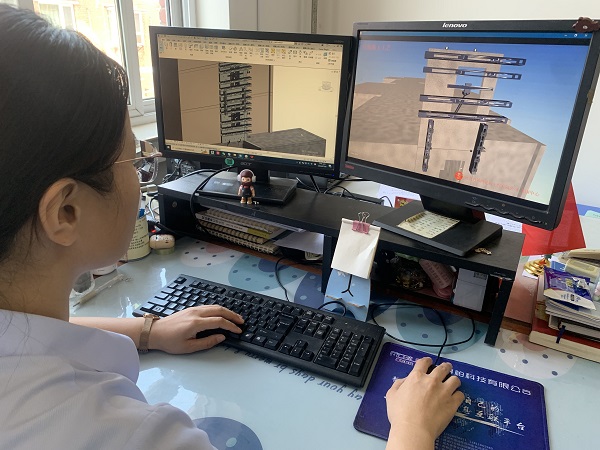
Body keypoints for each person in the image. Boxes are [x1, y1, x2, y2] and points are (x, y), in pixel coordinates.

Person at [0, 5, 462, 449]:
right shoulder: (132, 435)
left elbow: (40, 333)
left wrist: (149, 331)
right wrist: (412, 427)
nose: (142, 175)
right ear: (65, 212)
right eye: (133, 159)